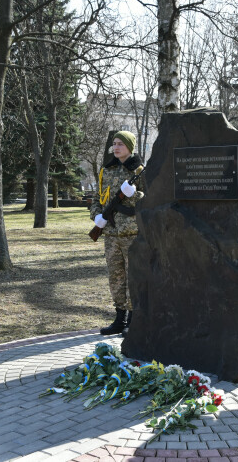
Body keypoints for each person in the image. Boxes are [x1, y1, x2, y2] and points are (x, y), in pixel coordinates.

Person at [91, 131, 145, 335]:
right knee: (116, 277)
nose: (116, 147)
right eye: (114, 144)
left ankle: (133, 318)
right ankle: (119, 317)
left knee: (133, 277)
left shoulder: (139, 170)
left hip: (132, 232)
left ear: (130, 147)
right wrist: (97, 216)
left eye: (121, 144)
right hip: (111, 233)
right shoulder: (107, 170)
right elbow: (97, 198)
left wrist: (135, 195)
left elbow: (149, 198)